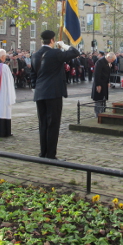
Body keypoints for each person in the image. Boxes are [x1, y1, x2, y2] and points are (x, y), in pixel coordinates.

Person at [30, 30, 80, 159]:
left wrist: (35, 88)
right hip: (53, 93)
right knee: (53, 124)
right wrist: (64, 46)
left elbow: (33, 75)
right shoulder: (55, 53)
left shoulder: (35, 54)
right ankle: (51, 154)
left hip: (40, 93)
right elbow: (75, 52)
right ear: (52, 40)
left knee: (43, 124)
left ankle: (43, 152)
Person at [91, 52, 116, 117]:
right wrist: (98, 85)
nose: (112, 62)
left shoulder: (108, 63)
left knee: (103, 98)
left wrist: (108, 82)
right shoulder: (100, 62)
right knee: (98, 99)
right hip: (99, 83)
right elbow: (97, 74)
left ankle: (103, 112)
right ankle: (98, 114)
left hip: (104, 84)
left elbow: (107, 74)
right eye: (112, 60)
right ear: (108, 57)